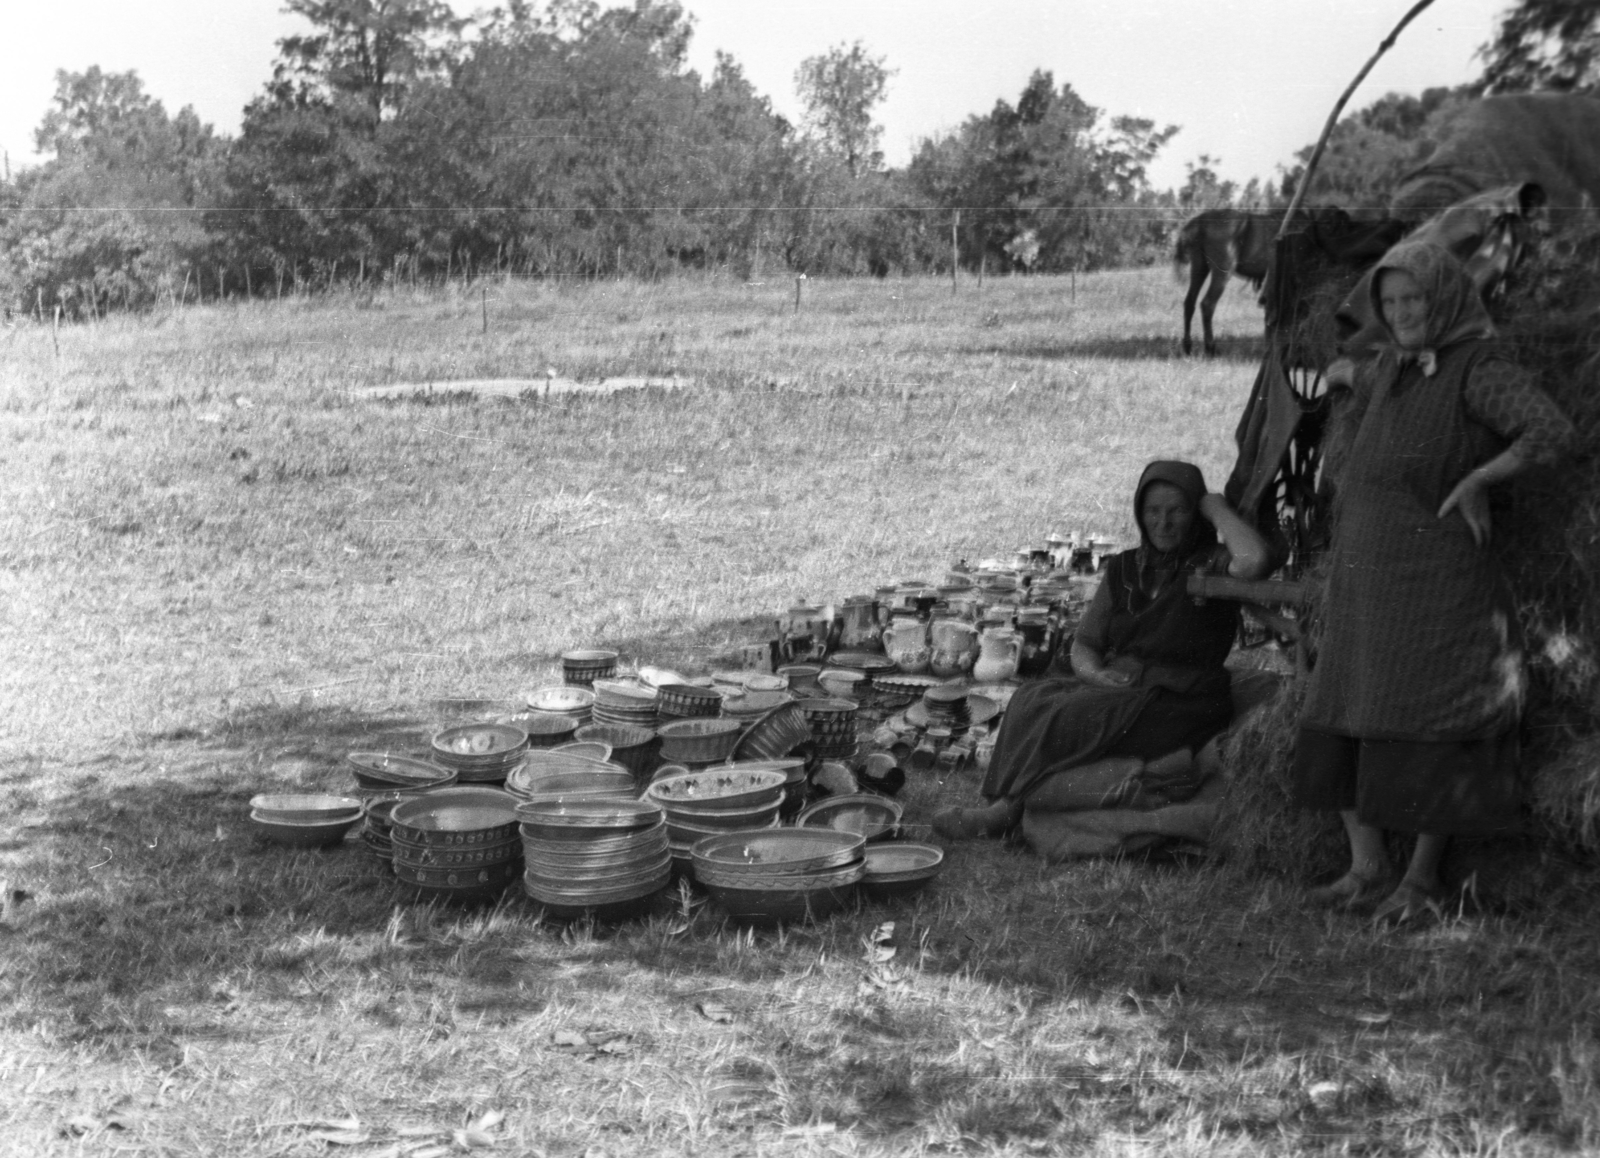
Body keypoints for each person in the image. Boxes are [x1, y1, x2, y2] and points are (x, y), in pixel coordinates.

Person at [1293, 240, 1575, 925]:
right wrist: (1336, 372)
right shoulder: (1393, 365)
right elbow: (1357, 373)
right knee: (1345, 705)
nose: (1401, 313)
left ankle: (1420, 882)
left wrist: (1481, 477)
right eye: (1389, 303)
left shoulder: (1478, 368)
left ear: (1444, 297)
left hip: (1437, 584)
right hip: (1368, 584)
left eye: (1412, 299)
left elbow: (1551, 430)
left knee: (1430, 722)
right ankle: (1367, 869)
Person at [935, 460, 1271, 841]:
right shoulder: (1125, 567)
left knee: (1069, 715)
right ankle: (1003, 801)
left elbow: (1255, 560)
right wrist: (1094, 674)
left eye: (1177, 511)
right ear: (1140, 514)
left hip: (1183, 700)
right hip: (1123, 686)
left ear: (1196, 513)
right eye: (1153, 512)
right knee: (1029, 698)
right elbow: (1086, 644)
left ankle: (1004, 812)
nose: (1163, 523)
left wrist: (1216, 508)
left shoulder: (1211, 563)